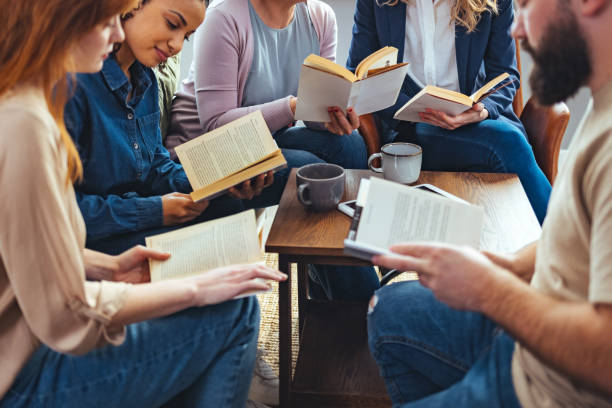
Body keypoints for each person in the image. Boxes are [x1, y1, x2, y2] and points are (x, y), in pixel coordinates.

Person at [0, 0, 287, 407]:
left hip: (38, 325)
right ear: (65, 17)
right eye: (108, 21)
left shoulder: (28, 100)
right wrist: (193, 289)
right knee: (234, 308)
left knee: (269, 185)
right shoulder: (33, 117)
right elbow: (67, 314)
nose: (117, 32)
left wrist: (219, 182)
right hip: (22, 371)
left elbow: (29, 242)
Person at [366, 0, 612, 405]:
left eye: (528, 5)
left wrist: (490, 290)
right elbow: (575, 236)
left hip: (542, 383)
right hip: (525, 337)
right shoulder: (600, 105)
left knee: (506, 140)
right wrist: (513, 266)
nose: (517, 31)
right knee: (385, 308)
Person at [64, 0, 278, 256]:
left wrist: (221, 181)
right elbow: (61, 211)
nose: (176, 45)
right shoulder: (75, 84)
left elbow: (155, 166)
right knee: (219, 259)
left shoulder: (146, 81)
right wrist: (155, 211)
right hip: (95, 241)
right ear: (133, 6)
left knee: (230, 208)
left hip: (137, 217)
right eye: (172, 24)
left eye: (186, 37)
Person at [347, 0, 552, 224]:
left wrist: (481, 111)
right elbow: (359, 72)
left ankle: (556, 248)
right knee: (508, 142)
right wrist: (409, 110)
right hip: (409, 132)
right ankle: (566, 246)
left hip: (475, 125)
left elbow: (505, 75)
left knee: (507, 142)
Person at [165, 0, 369, 170]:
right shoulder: (222, 16)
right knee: (309, 168)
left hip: (264, 139)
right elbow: (216, 125)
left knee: (351, 144)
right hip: (203, 153)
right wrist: (293, 107)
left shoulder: (321, 18)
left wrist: (332, 115)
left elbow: (311, 115)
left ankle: (356, 216)